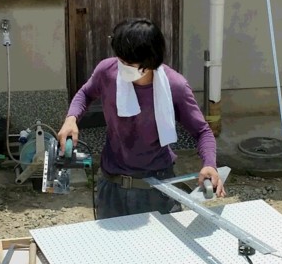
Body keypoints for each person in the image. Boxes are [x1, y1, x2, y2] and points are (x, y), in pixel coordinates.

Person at [58, 18, 224, 220]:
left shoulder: (175, 87)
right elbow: (85, 93)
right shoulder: (107, 72)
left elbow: (202, 131)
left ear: (149, 64)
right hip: (112, 184)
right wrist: (71, 119)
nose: (121, 66)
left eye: (128, 63)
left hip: (157, 187)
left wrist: (209, 163)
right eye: (119, 59)